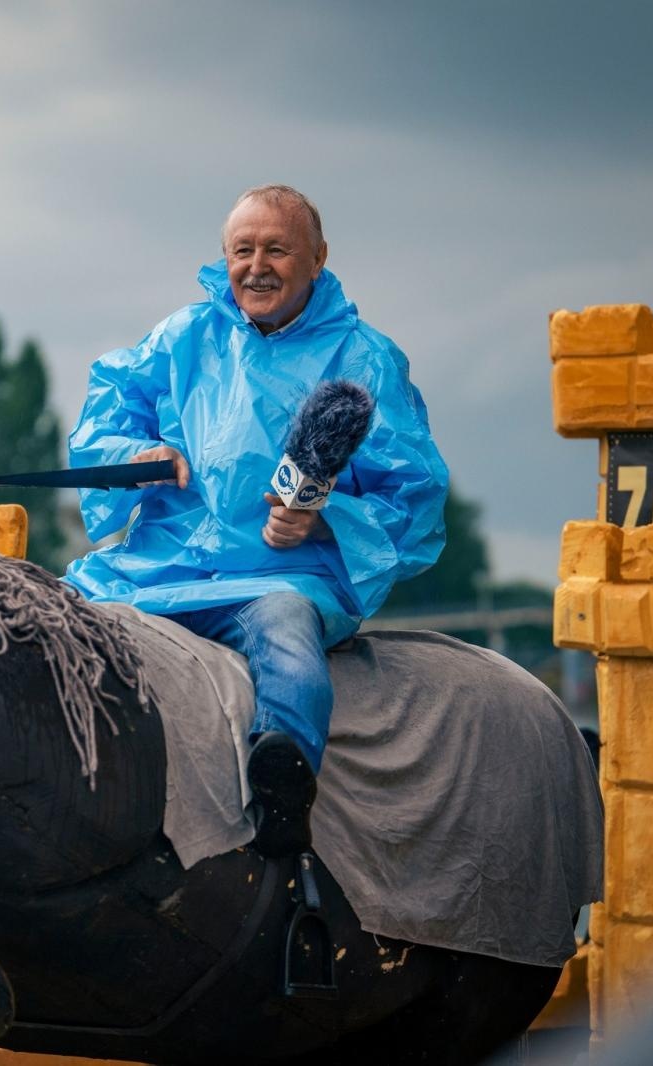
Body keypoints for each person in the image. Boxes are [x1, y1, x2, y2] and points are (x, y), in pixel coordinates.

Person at [62, 185, 448, 855]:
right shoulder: (183, 335)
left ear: (318, 258)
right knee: (49, 611)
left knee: (288, 641)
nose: (256, 266)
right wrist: (136, 453)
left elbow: (413, 499)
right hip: (161, 562)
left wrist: (325, 520)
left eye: (277, 249)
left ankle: (283, 802)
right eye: (243, 250)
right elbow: (109, 410)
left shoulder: (365, 359)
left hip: (284, 579)